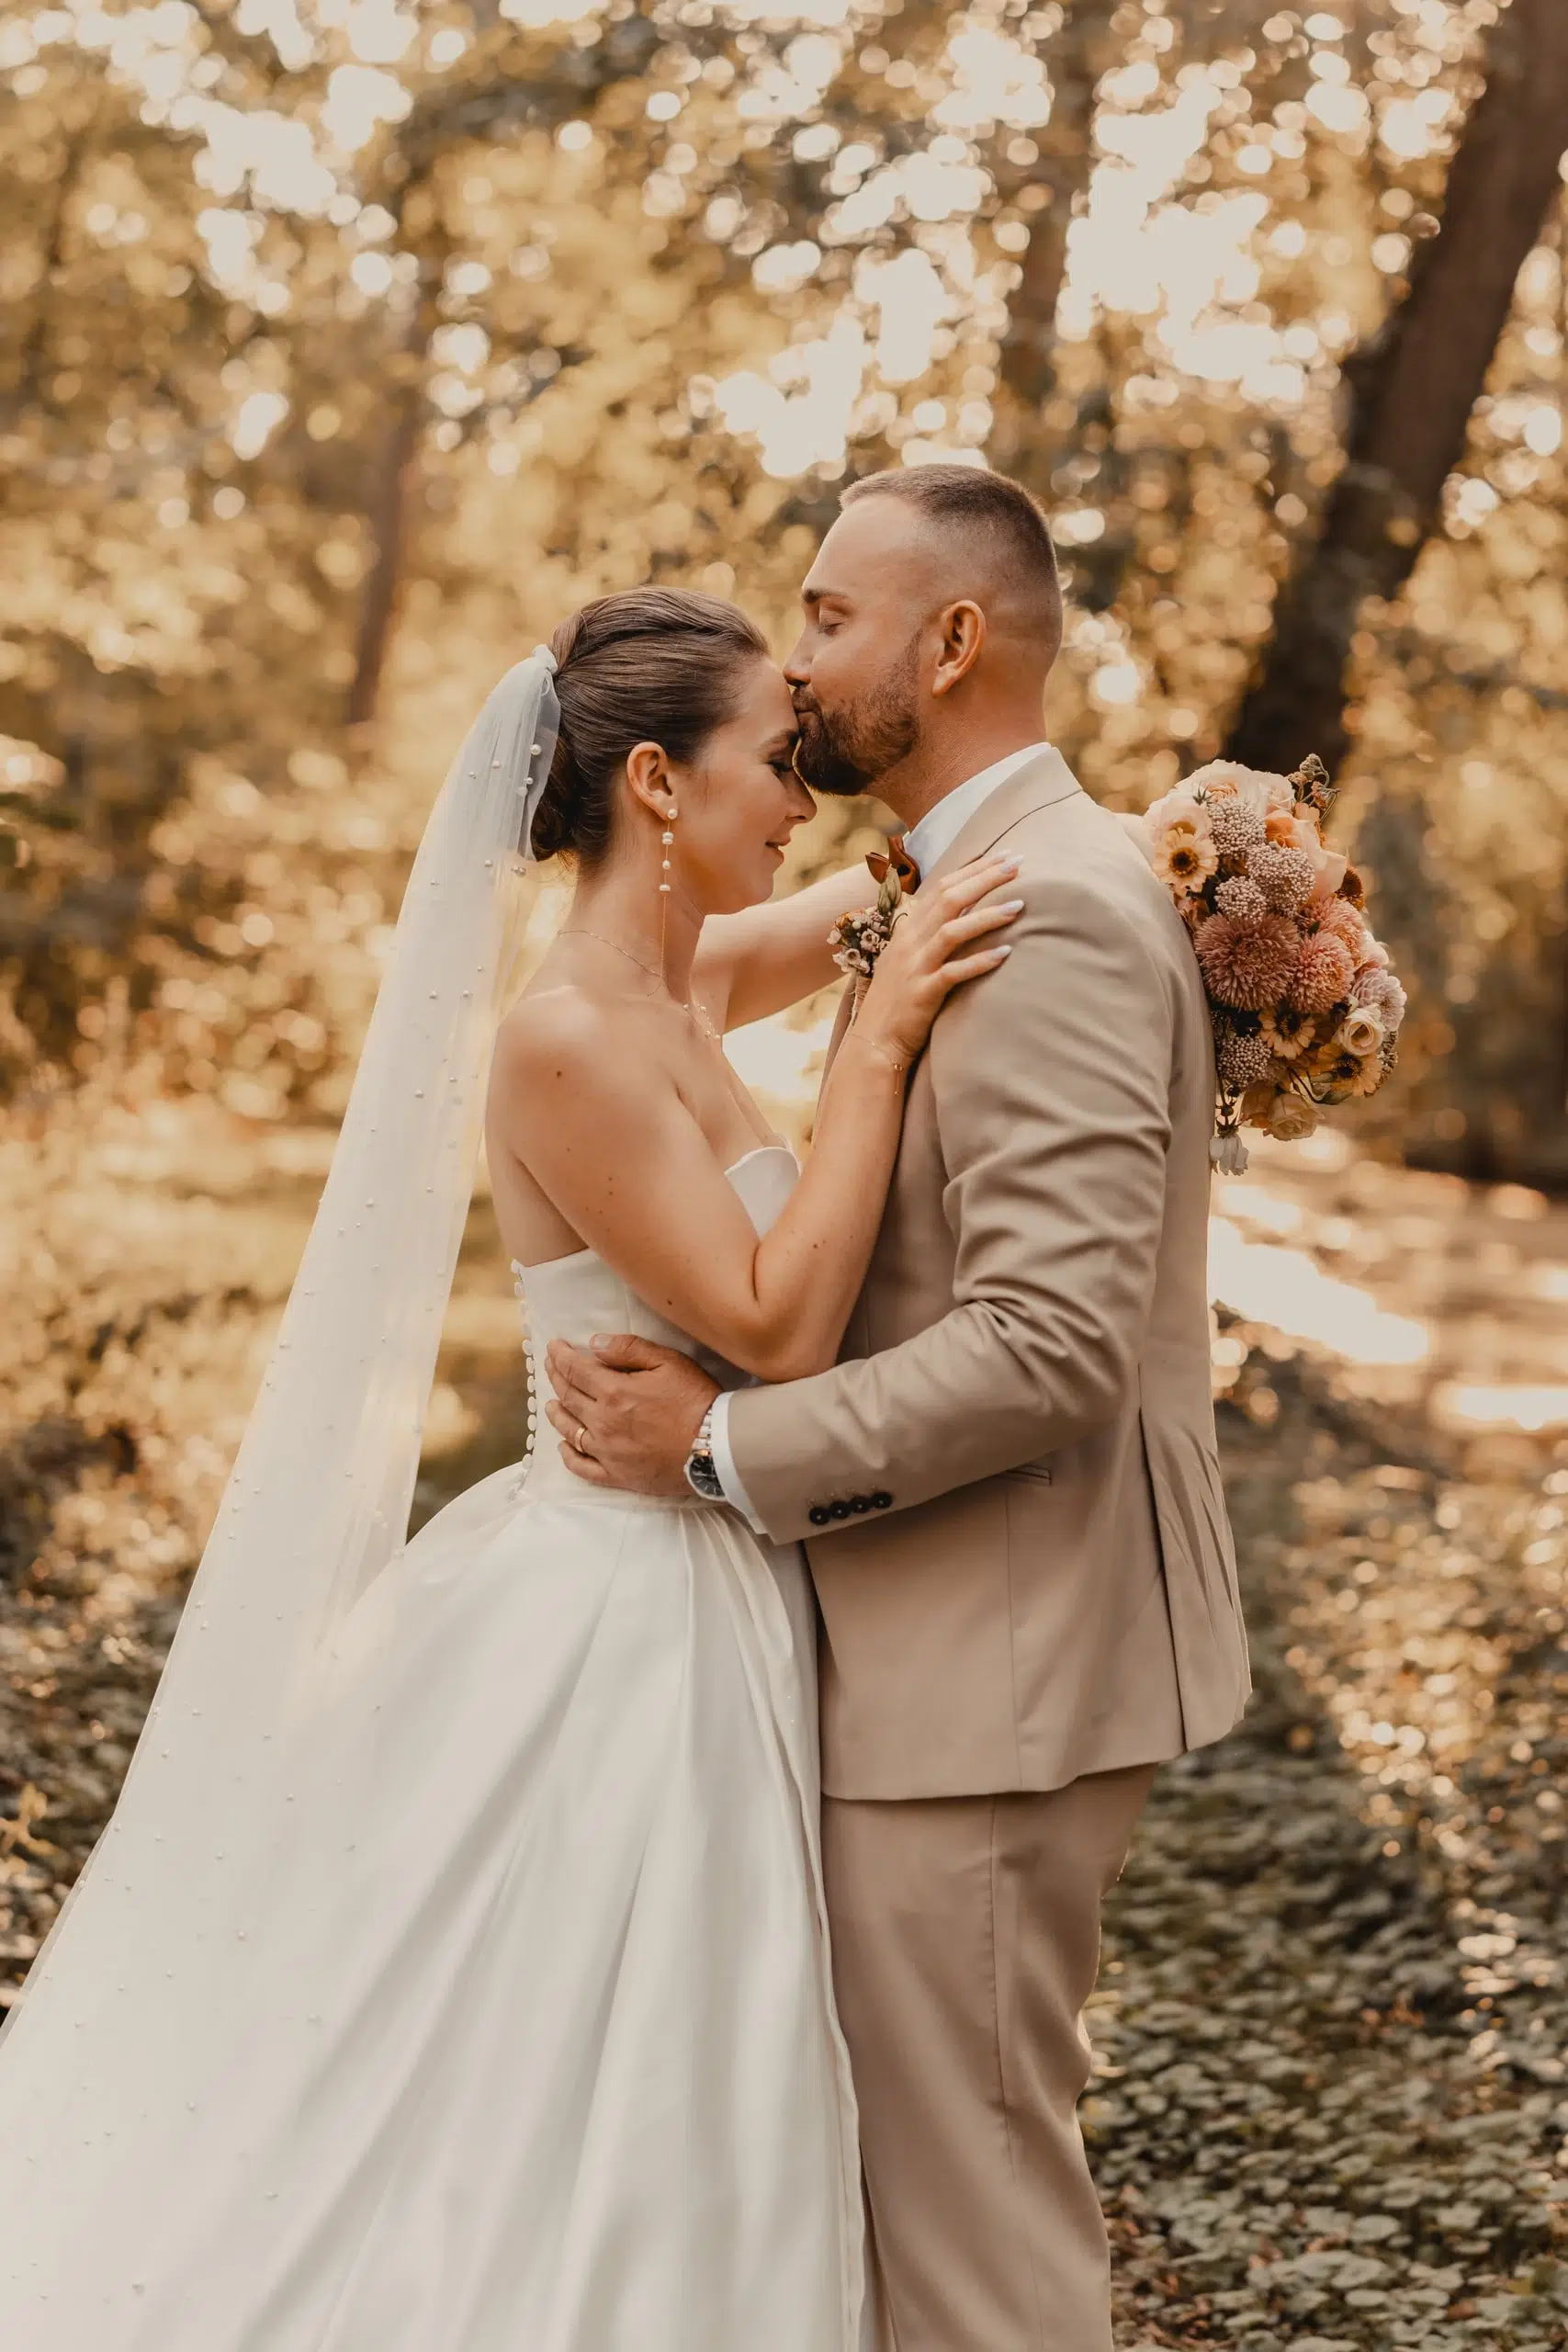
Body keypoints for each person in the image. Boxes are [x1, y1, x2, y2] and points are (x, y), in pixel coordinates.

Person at [0, 587, 1021, 2348]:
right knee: (576, 2057)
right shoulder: (565, 1040)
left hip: (710, 1570)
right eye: (770, 760)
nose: (800, 793)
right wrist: (875, 1047)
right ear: (650, 781)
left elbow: (891, 891)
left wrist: (1135, 842)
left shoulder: (683, 977)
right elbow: (775, 1324)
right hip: (619, 1624)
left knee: (678, 2067)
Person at [547, 467, 1253, 2352]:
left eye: (831, 616)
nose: (797, 664)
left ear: (952, 641)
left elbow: (1048, 1341)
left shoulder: (1054, 908)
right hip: (928, 1656)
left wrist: (710, 1446)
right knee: (893, 2211)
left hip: (992, 1674)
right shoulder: (948, 886)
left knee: (973, 2246)